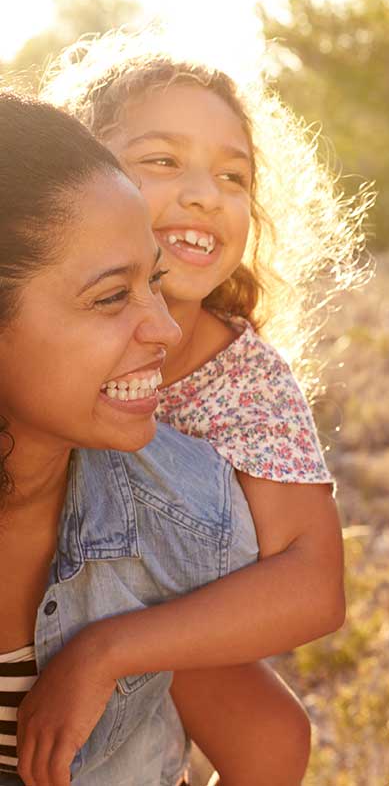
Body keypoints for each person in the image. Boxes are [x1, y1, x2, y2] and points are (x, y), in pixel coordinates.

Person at [33, 31, 371, 785]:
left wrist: (115, 648)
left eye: (233, 175)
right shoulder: (26, 323)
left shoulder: (244, 378)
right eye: (161, 160)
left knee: (275, 733)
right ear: (73, 169)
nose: (203, 194)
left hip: (140, 638)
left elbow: (315, 584)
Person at [0, 91, 251, 786]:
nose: (166, 329)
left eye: (156, 282)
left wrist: (113, 649)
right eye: (112, 297)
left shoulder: (187, 509)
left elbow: (272, 734)